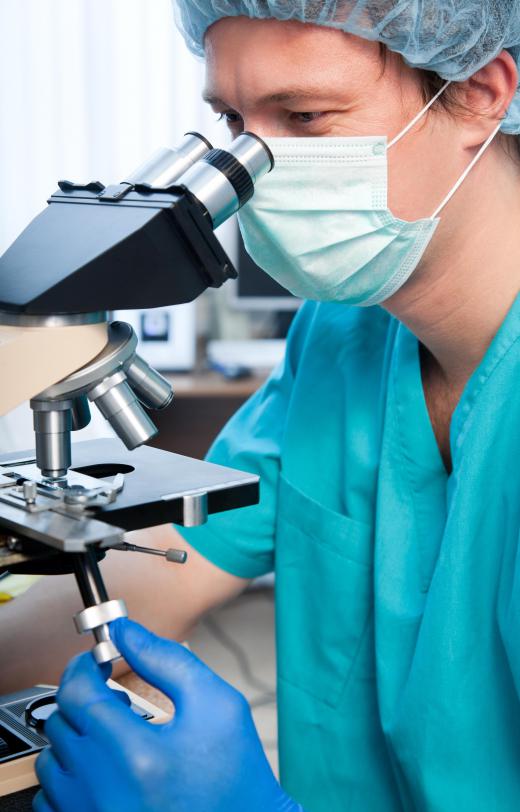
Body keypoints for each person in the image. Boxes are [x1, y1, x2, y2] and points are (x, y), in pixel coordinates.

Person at [30, 1, 520, 809]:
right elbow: (171, 559)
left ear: (479, 92)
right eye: (232, 119)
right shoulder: (344, 336)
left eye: (303, 116)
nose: (256, 167)